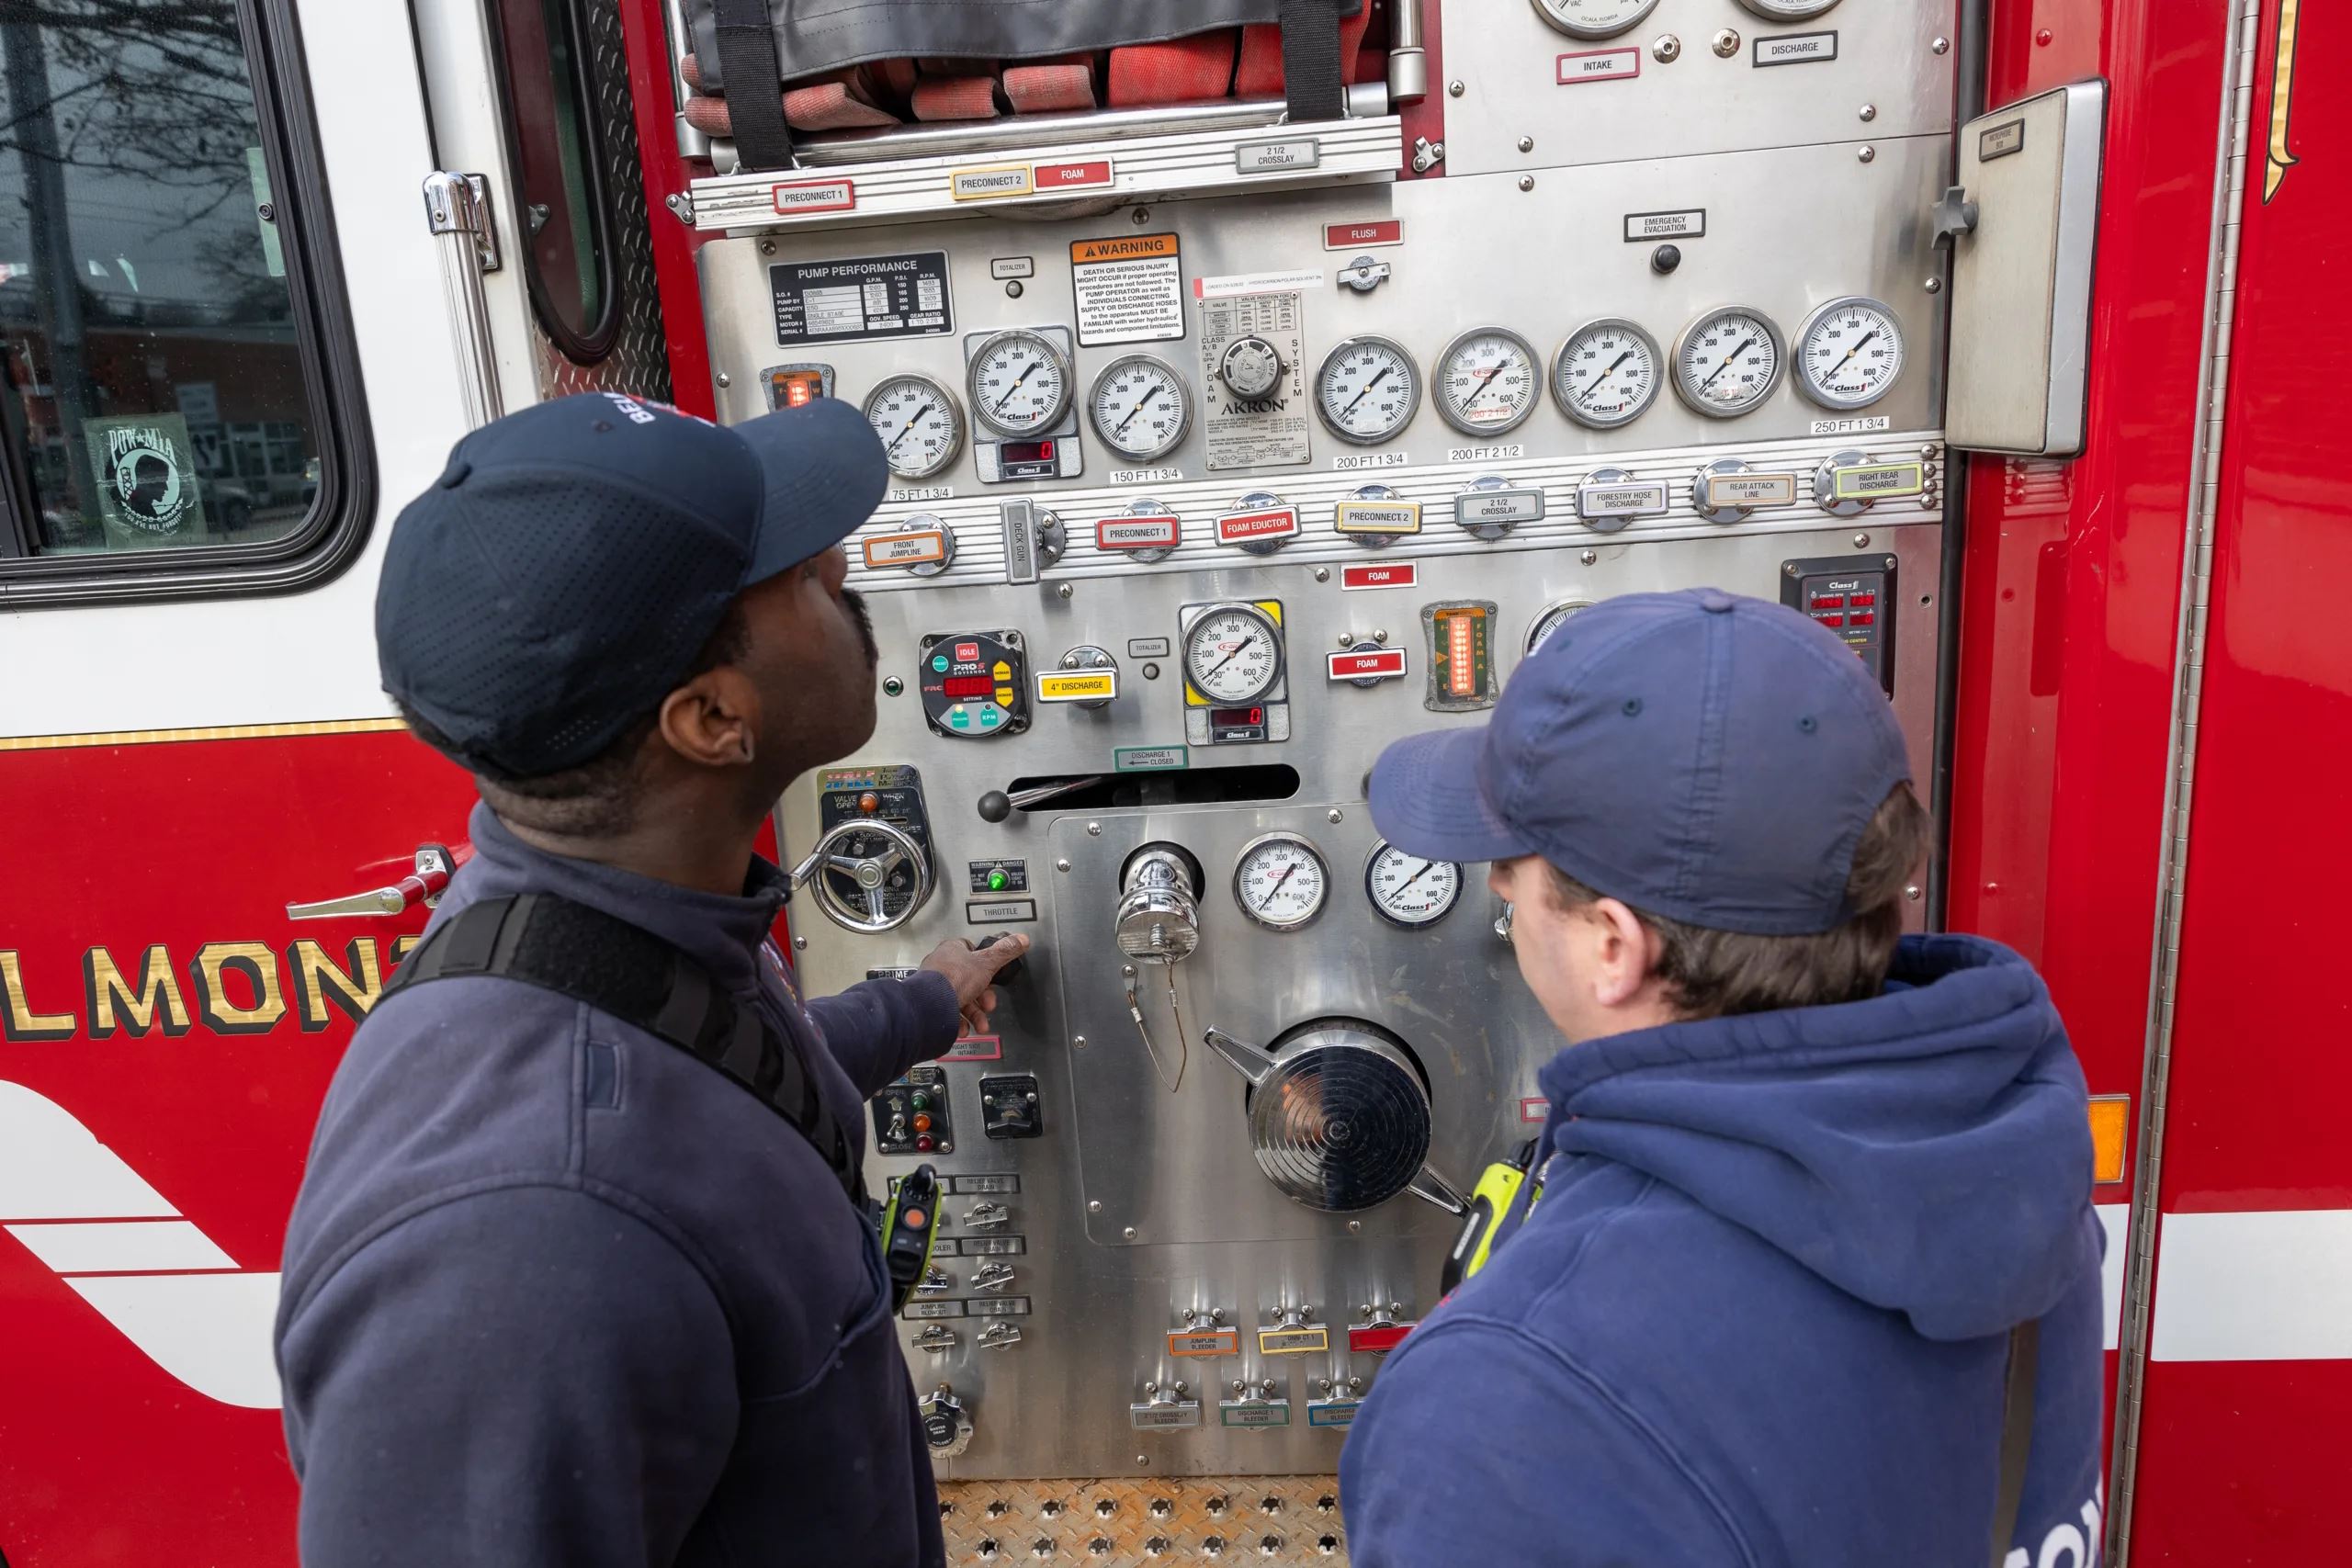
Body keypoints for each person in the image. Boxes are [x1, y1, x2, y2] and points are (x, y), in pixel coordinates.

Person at [275, 391, 1027, 1567]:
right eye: (796, 569)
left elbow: (717, 1087)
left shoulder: (613, 945)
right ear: (714, 718)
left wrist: (924, 1001)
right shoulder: (525, 1248)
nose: (838, 562)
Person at [1341, 589, 2105, 1566]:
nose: (1495, 883)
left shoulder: (1508, 1403)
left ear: (1613, 946)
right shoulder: (2015, 1184)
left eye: (1515, 864)